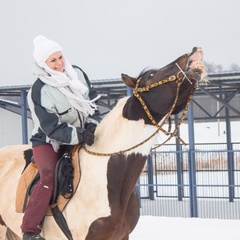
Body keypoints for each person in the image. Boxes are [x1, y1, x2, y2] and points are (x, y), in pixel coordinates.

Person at [21, 35, 100, 240]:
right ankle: (30, 229)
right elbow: (51, 127)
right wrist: (80, 135)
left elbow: (93, 103)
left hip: (82, 134)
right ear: (43, 64)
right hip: (49, 140)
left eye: (60, 57)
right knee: (49, 176)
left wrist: (93, 126)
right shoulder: (39, 90)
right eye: (52, 61)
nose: (59, 64)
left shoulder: (78, 74)